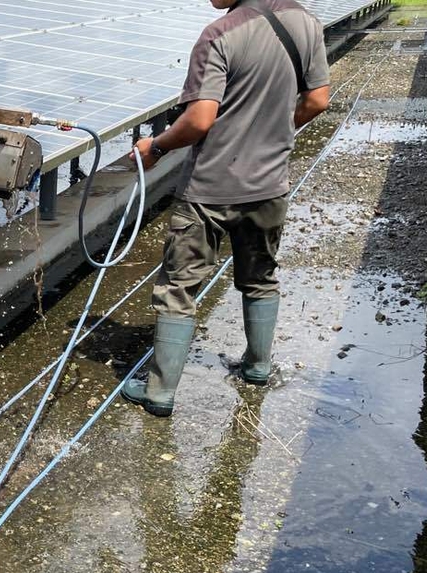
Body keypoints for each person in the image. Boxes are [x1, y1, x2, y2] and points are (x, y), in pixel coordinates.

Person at [124, 0, 331, 417]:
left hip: (208, 189)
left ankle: (160, 394)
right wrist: (274, 135)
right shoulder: (306, 22)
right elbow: (318, 99)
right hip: (269, 185)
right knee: (260, 276)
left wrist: (156, 147)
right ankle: (257, 367)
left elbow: (200, 120)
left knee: (178, 288)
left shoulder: (219, 34)